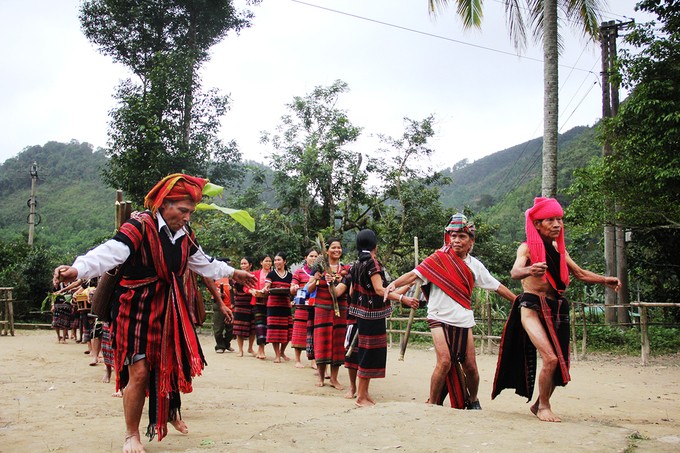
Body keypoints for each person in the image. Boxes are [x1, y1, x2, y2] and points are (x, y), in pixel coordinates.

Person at [52, 173, 256, 453]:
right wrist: (77, 269)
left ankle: (170, 413)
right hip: (133, 307)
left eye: (190, 212)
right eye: (182, 211)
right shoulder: (139, 226)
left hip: (168, 307)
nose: (186, 217)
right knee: (138, 371)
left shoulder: (185, 236)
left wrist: (235, 273)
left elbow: (205, 263)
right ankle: (131, 435)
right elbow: (109, 252)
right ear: (164, 204)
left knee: (168, 364)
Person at [492, 197, 621, 422]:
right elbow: (514, 272)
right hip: (531, 306)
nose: (556, 224)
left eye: (559, 219)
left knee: (559, 361)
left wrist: (604, 280)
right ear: (538, 224)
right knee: (550, 359)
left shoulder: (559, 250)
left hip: (556, 306)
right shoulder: (526, 248)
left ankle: (538, 404)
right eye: (550, 220)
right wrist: (531, 269)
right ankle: (544, 407)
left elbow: (580, 274)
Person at [386, 213, 516, 410]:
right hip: (437, 317)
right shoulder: (437, 260)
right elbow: (413, 275)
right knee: (445, 361)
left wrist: (518, 301)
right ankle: (432, 401)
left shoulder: (475, 266)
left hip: (463, 318)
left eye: (462, 236)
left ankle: (473, 400)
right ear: (448, 237)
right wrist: (393, 284)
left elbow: (496, 286)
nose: (456, 240)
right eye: (453, 236)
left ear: (471, 241)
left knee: (471, 366)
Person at [346, 229, 418, 406]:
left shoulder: (355, 265)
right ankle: (361, 396)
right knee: (369, 354)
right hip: (372, 317)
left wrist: (406, 286)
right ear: (375, 247)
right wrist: (404, 299)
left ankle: (364, 393)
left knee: (366, 352)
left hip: (362, 315)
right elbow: (379, 290)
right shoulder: (373, 264)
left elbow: (351, 291)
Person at [308, 238, 349, 390]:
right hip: (322, 307)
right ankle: (320, 377)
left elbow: (346, 287)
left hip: (341, 309)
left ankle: (334, 378)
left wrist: (337, 280)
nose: (337, 250)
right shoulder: (319, 266)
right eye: (333, 247)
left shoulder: (345, 269)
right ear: (327, 250)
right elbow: (310, 289)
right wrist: (317, 280)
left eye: (339, 247)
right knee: (322, 340)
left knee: (337, 342)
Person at [289, 248, 318, 368]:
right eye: (311, 256)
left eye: (316, 256)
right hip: (301, 306)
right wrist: (294, 287)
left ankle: (314, 361)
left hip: (315, 306)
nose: (314, 258)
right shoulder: (299, 272)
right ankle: (297, 360)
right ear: (305, 258)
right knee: (299, 332)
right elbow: (291, 289)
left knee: (314, 333)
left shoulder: (320, 273)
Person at [263, 252, 293, 363]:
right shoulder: (271, 274)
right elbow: (267, 285)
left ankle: (282, 351)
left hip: (285, 304)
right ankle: (277, 355)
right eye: (275, 260)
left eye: (279, 260)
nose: (276, 262)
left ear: (284, 261)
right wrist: (266, 288)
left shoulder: (290, 276)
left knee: (288, 329)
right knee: (274, 330)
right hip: (273, 304)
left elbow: (293, 289)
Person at [249, 254, 272, 360]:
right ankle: (261, 348)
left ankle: (261, 349)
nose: (268, 263)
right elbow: (246, 286)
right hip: (257, 303)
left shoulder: (273, 274)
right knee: (260, 326)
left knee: (268, 326)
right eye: (266, 261)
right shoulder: (255, 274)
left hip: (271, 303)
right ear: (261, 262)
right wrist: (251, 290)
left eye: (270, 261)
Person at [232, 257, 256, 357]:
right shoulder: (235, 277)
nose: (243, 265)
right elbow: (233, 291)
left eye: (245, 263)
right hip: (239, 303)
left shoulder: (253, 276)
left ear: (250, 265)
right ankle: (240, 350)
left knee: (252, 327)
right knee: (239, 327)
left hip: (251, 303)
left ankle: (250, 348)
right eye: (241, 263)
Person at [211, 260, 235, 353]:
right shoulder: (213, 276)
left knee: (231, 328)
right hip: (218, 304)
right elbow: (209, 288)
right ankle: (220, 346)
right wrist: (217, 293)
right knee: (218, 326)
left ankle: (226, 343)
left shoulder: (230, 277)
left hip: (230, 305)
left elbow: (233, 290)